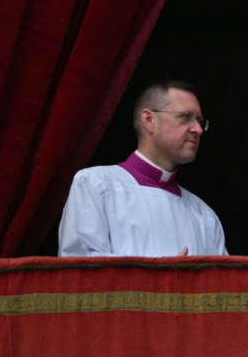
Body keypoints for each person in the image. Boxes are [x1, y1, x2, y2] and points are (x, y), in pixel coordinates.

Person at [58, 79, 227, 257]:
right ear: (149, 120)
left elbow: (222, 282)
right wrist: (159, 278)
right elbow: (79, 270)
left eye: (200, 121)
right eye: (185, 117)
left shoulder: (204, 215)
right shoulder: (95, 185)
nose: (198, 129)